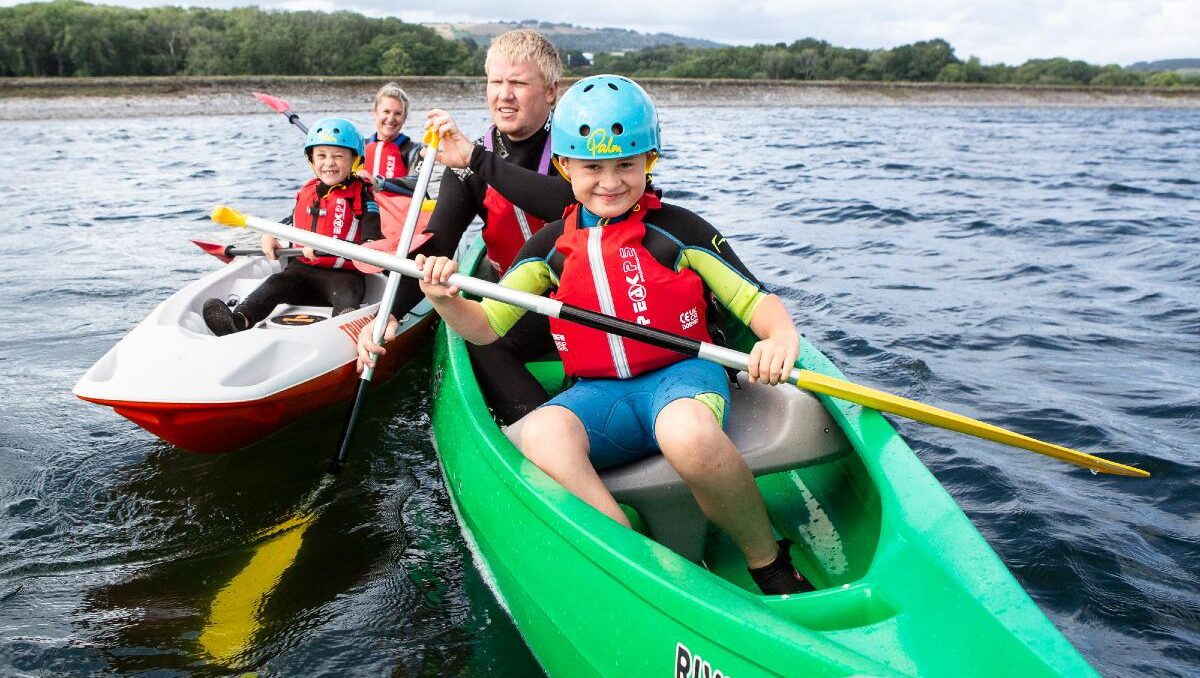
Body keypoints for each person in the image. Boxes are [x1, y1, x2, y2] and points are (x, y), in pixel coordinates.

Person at [413, 75, 813, 595]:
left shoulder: (680, 231)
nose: (610, 182)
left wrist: (779, 338)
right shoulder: (550, 246)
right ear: (565, 167)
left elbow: (756, 301)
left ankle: (768, 561)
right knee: (540, 434)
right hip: (600, 394)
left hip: (682, 378)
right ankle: (636, 559)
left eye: (626, 165)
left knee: (687, 435)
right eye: (593, 167)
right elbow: (486, 326)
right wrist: (445, 299)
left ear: (650, 160)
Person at [356, 29, 575, 424]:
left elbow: (568, 203)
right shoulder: (466, 164)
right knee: (481, 339)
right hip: (524, 303)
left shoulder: (577, 151)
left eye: (519, 83)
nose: (504, 95)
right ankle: (540, 429)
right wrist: (389, 313)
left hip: (586, 299)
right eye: (496, 82)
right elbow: (437, 244)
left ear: (550, 92)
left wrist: (477, 159)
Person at [202, 117, 382, 335]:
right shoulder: (307, 192)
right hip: (302, 271)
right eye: (321, 156)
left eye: (338, 156)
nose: (329, 163)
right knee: (275, 283)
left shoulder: (362, 196)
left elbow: (373, 243)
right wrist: (270, 234)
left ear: (354, 159)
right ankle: (240, 320)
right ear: (311, 160)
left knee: (347, 294)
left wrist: (325, 246)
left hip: (343, 275)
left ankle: (341, 329)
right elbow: (291, 221)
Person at [356, 82, 422, 184]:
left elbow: (415, 183)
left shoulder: (415, 150)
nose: (391, 119)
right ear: (375, 113)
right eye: (386, 112)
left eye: (398, 113)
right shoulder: (359, 147)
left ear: (405, 118)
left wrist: (378, 182)